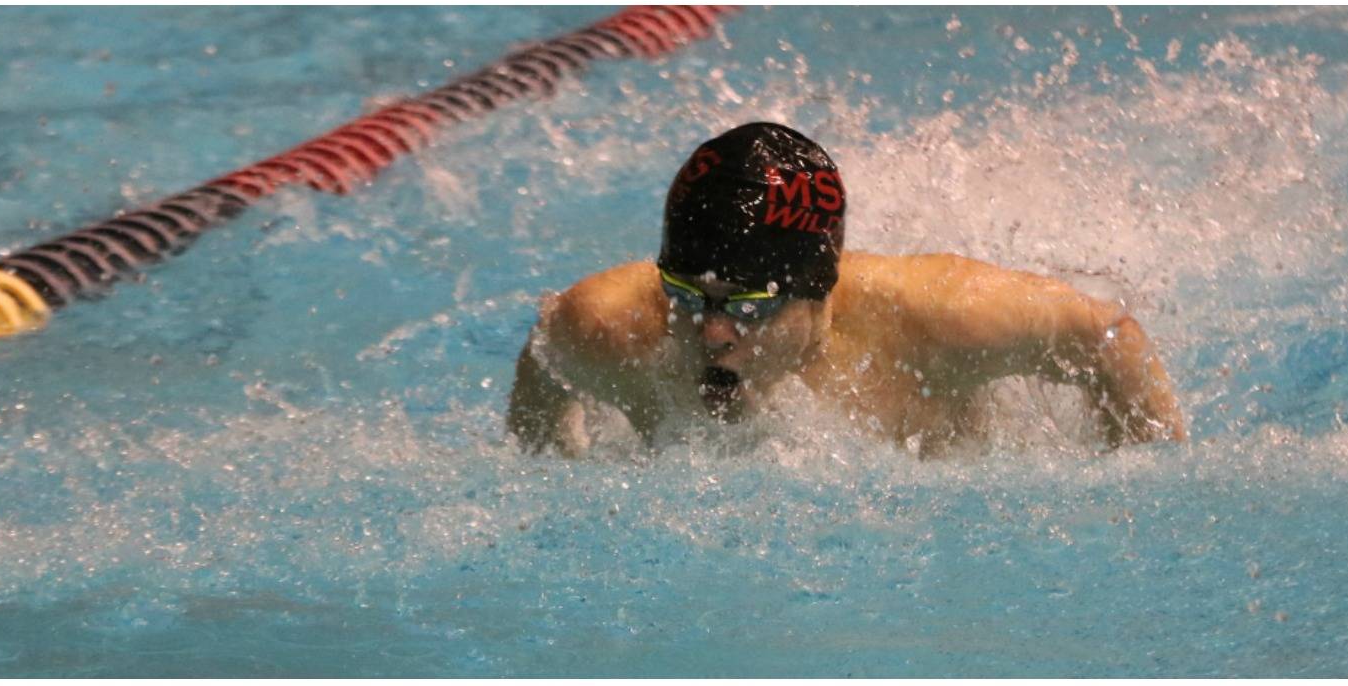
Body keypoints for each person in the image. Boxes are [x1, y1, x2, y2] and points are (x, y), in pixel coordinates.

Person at [506, 120, 1187, 458]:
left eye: (747, 306)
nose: (712, 331)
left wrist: (1138, 479)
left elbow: (1105, 336)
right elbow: (546, 356)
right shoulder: (604, 322)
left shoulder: (940, 318)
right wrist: (560, 471)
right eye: (687, 293)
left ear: (815, 289)